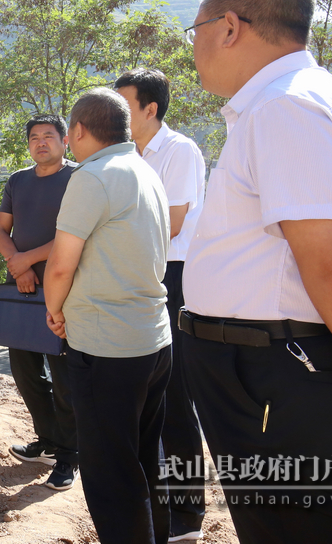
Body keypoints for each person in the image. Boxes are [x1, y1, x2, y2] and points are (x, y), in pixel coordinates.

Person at [180, 0, 332, 543]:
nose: (194, 47)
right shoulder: (291, 100)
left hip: (282, 375)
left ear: (229, 27)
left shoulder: (286, 106)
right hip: (276, 371)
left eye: (196, 30)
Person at [45, 88, 171, 543]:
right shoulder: (144, 169)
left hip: (107, 347)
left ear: (78, 131)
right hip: (153, 340)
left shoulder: (93, 177)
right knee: (144, 459)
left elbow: (61, 265)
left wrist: (54, 310)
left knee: (110, 474)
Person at [114, 68, 206, 542]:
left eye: (124, 105)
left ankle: (189, 511)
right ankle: (157, 501)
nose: (117, 113)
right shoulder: (126, 154)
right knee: (146, 393)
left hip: (173, 274)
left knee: (174, 394)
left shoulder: (179, 151)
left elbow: (171, 224)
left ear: (150, 109)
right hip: (137, 272)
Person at [0, 114, 79, 491]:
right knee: (26, 373)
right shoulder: (18, 180)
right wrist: (19, 264)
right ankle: (48, 440)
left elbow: (75, 234)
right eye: (34, 138)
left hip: (66, 290)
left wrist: (27, 259)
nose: (41, 142)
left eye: (48, 136)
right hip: (23, 292)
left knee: (65, 378)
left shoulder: (78, 178)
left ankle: (70, 455)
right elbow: (0, 230)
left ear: (64, 140)